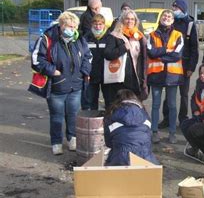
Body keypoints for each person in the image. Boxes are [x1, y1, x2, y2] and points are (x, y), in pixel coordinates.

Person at [31, 11, 92, 155]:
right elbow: (36, 60)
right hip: (57, 86)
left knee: (73, 115)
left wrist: (84, 71)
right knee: (56, 116)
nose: (73, 29)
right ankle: (56, 142)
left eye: (75, 27)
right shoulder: (47, 39)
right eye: (70, 26)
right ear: (61, 25)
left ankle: (72, 139)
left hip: (75, 86)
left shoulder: (79, 39)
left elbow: (88, 57)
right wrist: (53, 71)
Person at [159, 0, 199, 129]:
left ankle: (183, 119)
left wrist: (192, 67)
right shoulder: (171, 22)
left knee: (184, 94)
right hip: (170, 64)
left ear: (183, 9)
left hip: (185, 65)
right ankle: (167, 118)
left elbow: (195, 48)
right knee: (169, 92)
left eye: (176, 8)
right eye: (173, 8)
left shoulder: (190, 24)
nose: (174, 10)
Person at [147, 10, 184, 144]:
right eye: (164, 16)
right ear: (160, 18)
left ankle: (172, 133)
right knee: (155, 105)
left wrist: (160, 56)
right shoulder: (151, 35)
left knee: (172, 105)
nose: (166, 18)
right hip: (156, 75)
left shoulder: (178, 35)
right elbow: (151, 52)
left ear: (173, 20)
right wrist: (165, 51)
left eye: (169, 16)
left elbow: (177, 55)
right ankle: (154, 132)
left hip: (172, 76)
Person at [103, 9, 148, 107]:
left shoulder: (139, 37)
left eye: (132, 19)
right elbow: (108, 54)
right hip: (119, 81)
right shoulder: (114, 35)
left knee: (133, 108)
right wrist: (123, 47)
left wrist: (143, 80)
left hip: (135, 79)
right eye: (127, 19)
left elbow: (143, 59)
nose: (130, 21)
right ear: (122, 20)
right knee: (117, 108)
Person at [104, 89, 158, 166]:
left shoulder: (112, 115)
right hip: (146, 159)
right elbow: (149, 138)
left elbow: (108, 143)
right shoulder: (144, 115)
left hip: (120, 159)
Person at [82, 14, 110, 110]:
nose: (98, 26)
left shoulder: (109, 37)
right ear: (92, 25)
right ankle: (93, 122)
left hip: (106, 74)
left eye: (100, 24)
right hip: (91, 74)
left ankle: (107, 122)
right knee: (91, 100)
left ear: (104, 25)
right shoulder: (86, 37)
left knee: (109, 100)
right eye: (95, 24)